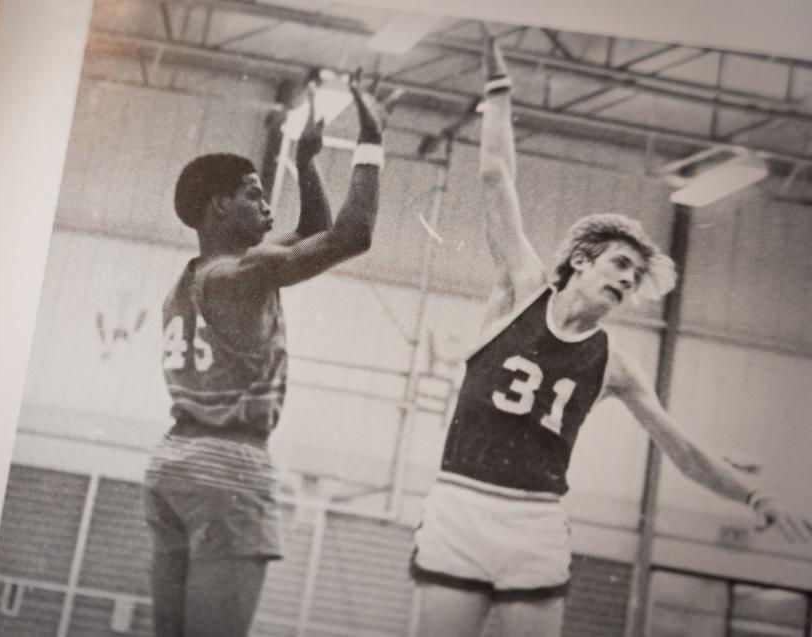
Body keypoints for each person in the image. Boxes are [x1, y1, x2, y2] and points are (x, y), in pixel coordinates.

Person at [410, 36, 812, 637]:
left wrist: (754, 494)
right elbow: (496, 177)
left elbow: (683, 451)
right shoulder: (522, 288)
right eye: (620, 264)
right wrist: (497, 92)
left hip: (535, 522)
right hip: (460, 503)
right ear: (579, 260)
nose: (627, 280)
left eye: (635, 277)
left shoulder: (615, 366)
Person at [144, 72, 385, 637]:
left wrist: (305, 165)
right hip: (230, 465)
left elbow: (312, 235)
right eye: (254, 194)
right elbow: (352, 235)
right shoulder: (242, 274)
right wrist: (372, 138)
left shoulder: (194, 280)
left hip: (173, 463)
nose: (266, 207)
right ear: (217, 206)